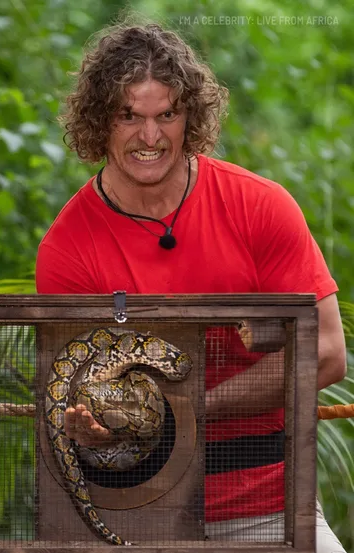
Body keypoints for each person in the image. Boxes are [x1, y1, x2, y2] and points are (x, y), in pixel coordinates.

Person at [35, 21, 346, 551]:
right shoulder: (68, 248)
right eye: (128, 115)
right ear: (98, 121)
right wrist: (89, 426)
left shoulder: (261, 206)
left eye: (166, 115)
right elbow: (83, 394)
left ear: (190, 117)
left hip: (267, 506)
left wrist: (186, 407)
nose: (149, 137)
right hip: (135, 514)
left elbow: (328, 352)